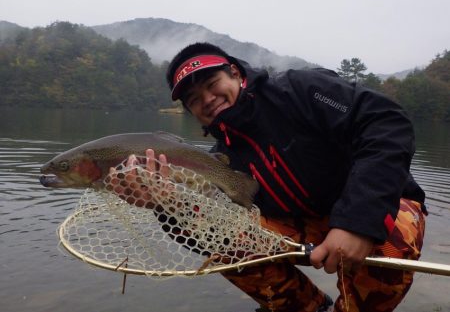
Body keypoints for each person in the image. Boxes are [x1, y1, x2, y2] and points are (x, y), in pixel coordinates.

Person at [146, 42, 427, 312]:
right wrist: (164, 203)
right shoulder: (220, 159)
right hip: (300, 225)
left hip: (379, 205)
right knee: (225, 240)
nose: (207, 99)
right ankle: (309, 308)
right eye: (194, 99)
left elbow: (385, 122)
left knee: (390, 243)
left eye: (211, 84)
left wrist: (359, 223)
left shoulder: (300, 89)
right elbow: (206, 234)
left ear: (234, 72)